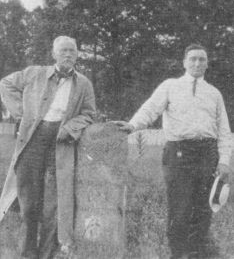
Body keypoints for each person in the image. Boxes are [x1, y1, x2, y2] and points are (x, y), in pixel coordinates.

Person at [116, 44, 232, 259]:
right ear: (184, 62)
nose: (197, 63)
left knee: (203, 208)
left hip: (207, 153)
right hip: (178, 152)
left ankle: (197, 253)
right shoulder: (170, 86)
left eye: (202, 60)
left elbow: (224, 131)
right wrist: (132, 126)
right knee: (180, 207)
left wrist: (224, 161)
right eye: (193, 59)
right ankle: (179, 254)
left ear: (207, 64)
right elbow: (150, 109)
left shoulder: (214, 93)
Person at [0, 36, 96, 259]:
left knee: (53, 203)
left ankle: (47, 253)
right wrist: (22, 114)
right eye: (63, 50)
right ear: (54, 54)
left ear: (77, 55)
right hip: (32, 141)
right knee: (29, 202)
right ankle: (27, 253)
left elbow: (90, 114)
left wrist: (71, 127)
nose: (68, 55)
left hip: (60, 145)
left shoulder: (83, 83)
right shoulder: (34, 73)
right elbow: (5, 84)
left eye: (72, 51)